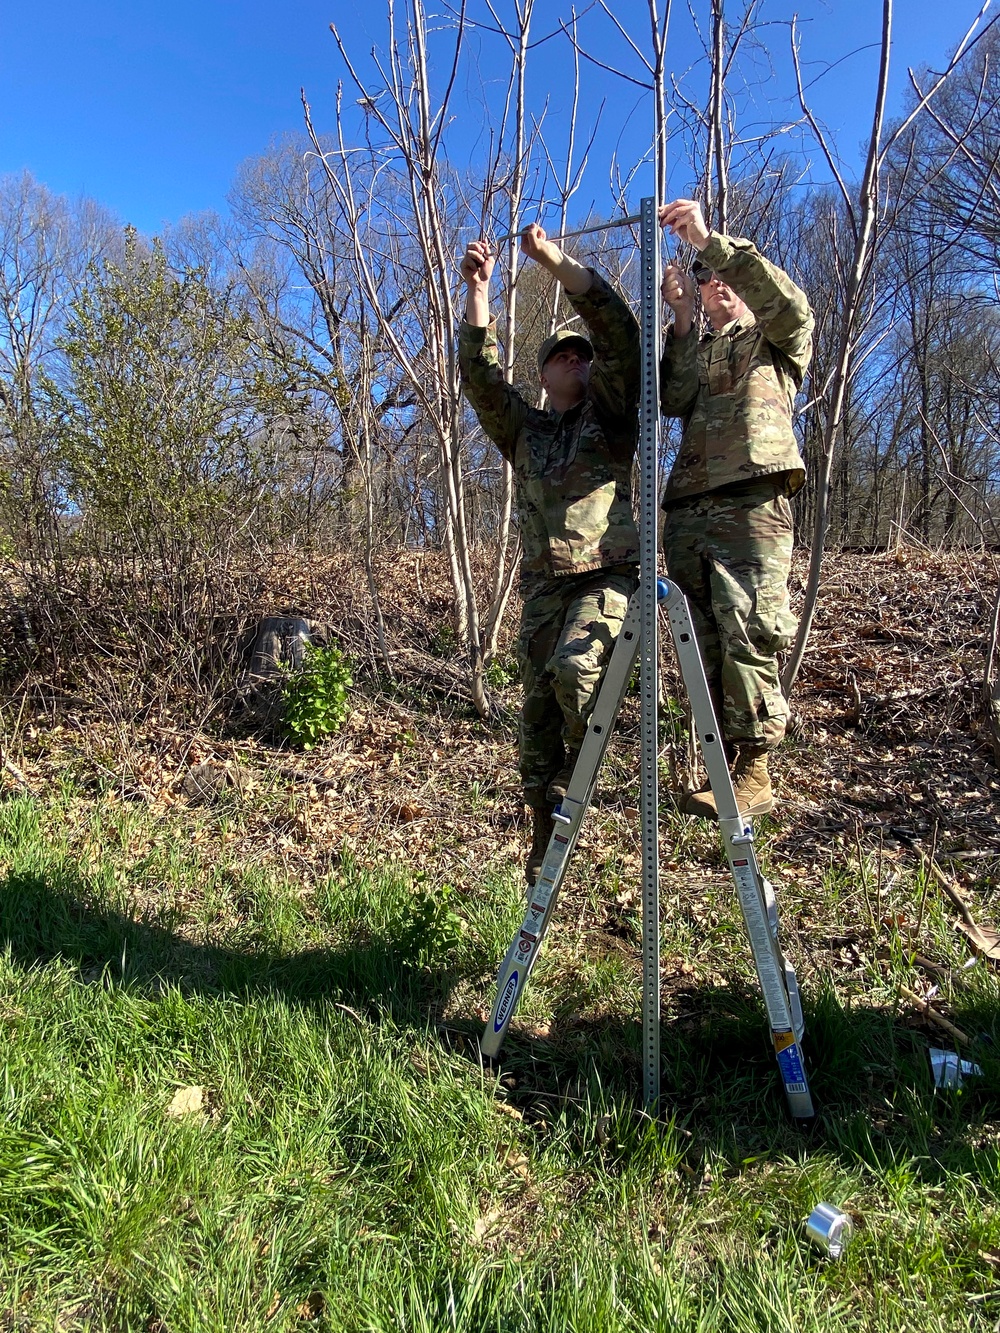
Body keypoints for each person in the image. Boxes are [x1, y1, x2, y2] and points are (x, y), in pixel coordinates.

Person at [459, 225, 640, 883]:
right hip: (544, 589)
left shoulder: (612, 414)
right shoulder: (526, 431)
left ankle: (580, 776)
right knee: (533, 722)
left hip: (609, 575)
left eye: (581, 355)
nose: (577, 360)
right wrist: (479, 294)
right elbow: (479, 380)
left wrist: (554, 263)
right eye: (563, 355)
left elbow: (620, 336)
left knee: (574, 671)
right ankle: (543, 833)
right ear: (541, 372)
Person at [658, 198, 814, 819]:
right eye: (705, 280)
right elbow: (671, 397)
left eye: (723, 279)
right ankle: (720, 764)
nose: (713, 284)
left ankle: (754, 771)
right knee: (702, 638)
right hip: (690, 505)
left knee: (749, 627)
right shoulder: (699, 348)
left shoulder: (776, 341)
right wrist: (678, 319)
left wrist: (709, 244)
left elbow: (789, 305)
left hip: (753, 499)